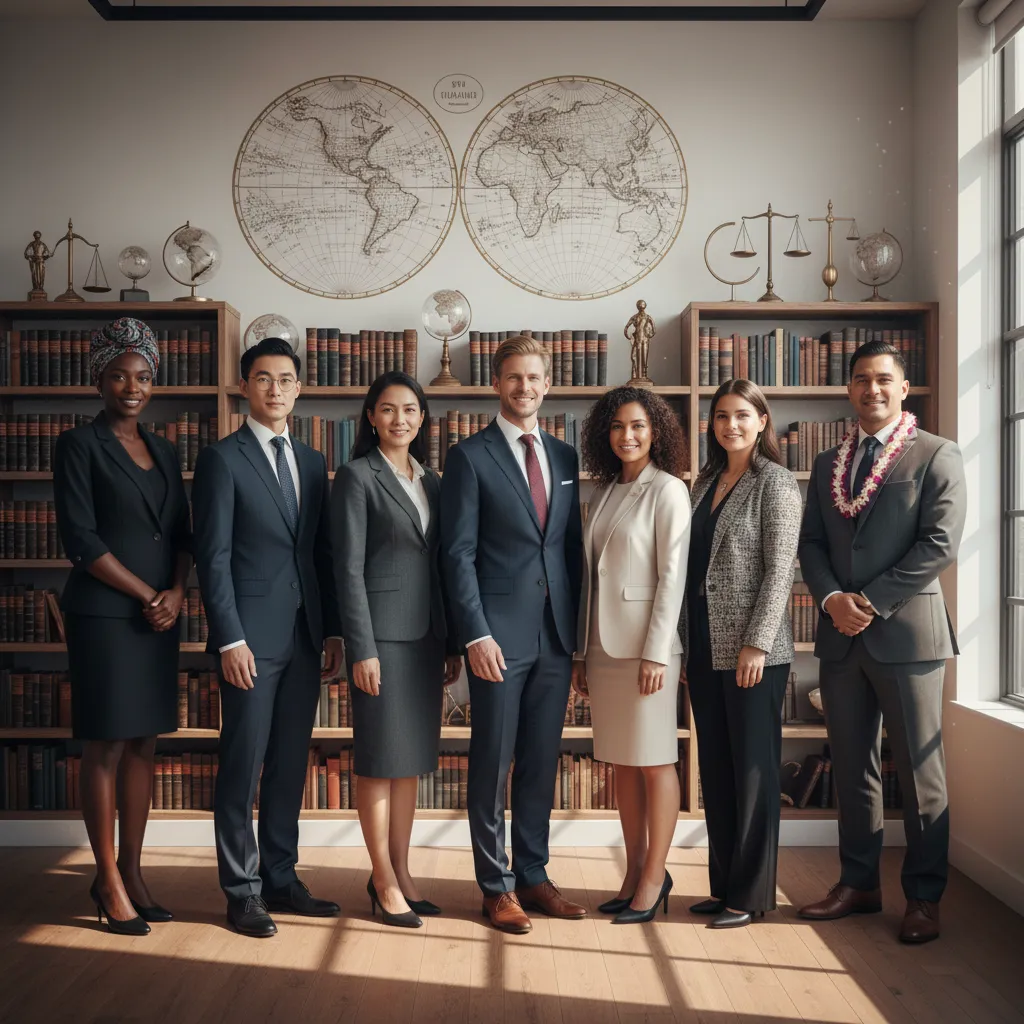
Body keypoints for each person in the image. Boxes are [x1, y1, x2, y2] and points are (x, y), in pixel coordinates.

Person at [798, 340, 966, 944]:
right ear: (849, 389)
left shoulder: (935, 455)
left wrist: (868, 600)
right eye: (862, 379)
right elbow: (812, 544)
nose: (872, 389)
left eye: (884, 379)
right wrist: (831, 600)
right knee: (852, 766)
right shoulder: (827, 465)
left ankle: (923, 898)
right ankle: (859, 884)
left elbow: (940, 543)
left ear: (904, 387)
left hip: (909, 637)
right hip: (840, 637)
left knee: (922, 774)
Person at [192, 337, 343, 938]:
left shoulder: (310, 461)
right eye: (263, 378)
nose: (275, 389)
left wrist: (330, 629)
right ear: (244, 386)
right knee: (242, 762)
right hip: (249, 641)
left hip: (305, 636)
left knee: (287, 764)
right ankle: (242, 889)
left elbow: (321, 553)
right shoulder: (222, 459)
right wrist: (229, 638)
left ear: (298, 388)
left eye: (285, 379)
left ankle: (281, 876)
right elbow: (214, 557)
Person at [440, 334, 586, 934]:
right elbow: (458, 554)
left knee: (539, 762)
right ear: (496, 385)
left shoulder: (567, 457)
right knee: (491, 761)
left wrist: (575, 639)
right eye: (513, 378)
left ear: (546, 385)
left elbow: (571, 550)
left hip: (554, 637)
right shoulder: (469, 457)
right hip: (496, 638)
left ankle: (533, 873)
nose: (524, 387)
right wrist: (474, 633)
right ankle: (494, 885)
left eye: (534, 378)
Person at [54, 317, 192, 935]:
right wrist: (146, 594)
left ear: (152, 381)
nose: (131, 387)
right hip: (107, 616)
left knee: (144, 744)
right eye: (118, 376)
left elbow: (184, 533)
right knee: (106, 745)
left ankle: (134, 874)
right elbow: (81, 539)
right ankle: (106, 879)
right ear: (99, 380)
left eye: (141, 376)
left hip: (159, 616)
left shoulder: (163, 448)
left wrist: (178, 591)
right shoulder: (78, 446)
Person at [331, 371, 462, 929]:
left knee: (410, 764)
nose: (399, 419)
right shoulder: (356, 477)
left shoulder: (431, 480)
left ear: (422, 417)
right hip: (381, 638)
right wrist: (361, 648)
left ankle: (404, 873)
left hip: (427, 638)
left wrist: (451, 640)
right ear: (370, 417)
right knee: (380, 762)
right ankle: (382, 878)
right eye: (387, 410)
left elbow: (441, 564)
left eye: (410, 409)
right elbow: (348, 567)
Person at [681, 378, 801, 929]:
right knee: (719, 771)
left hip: (755, 651)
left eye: (742, 415)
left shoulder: (774, 483)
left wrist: (756, 642)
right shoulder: (703, 483)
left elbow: (781, 571)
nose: (731, 424)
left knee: (753, 773)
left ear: (761, 422)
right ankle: (724, 884)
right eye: (721, 416)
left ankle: (750, 895)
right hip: (704, 643)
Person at [572, 387, 690, 924]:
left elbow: (672, 577)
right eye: (618, 427)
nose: (628, 435)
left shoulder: (667, 491)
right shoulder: (603, 493)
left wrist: (657, 651)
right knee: (622, 761)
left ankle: (654, 876)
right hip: (603, 647)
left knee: (656, 760)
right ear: (606, 435)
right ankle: (633, 869)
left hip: (648, 650)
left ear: (657, 431)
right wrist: (580, 651)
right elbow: (590, 579)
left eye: (638, 426)